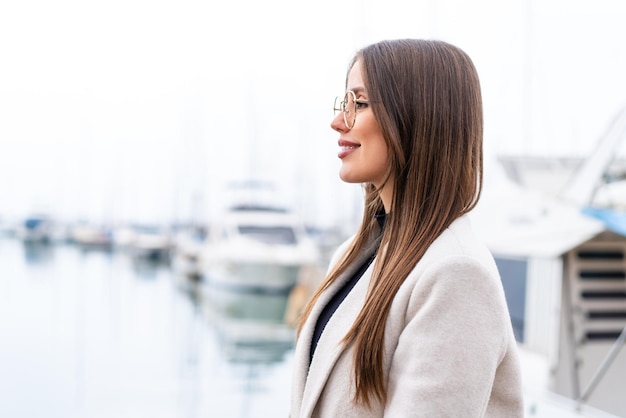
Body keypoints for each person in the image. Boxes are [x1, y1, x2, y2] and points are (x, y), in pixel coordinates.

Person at [289, 39, 524, 417]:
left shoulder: (456, 273)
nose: (338, 121)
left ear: (417, 117)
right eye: (344, 104)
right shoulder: (354, 253)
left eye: (360, 104)